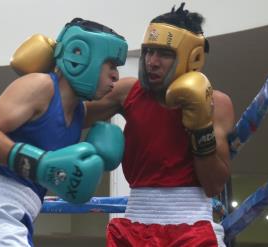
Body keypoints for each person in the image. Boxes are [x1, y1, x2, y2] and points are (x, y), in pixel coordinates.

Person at [0, 18, 128, 247]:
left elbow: (127, 91)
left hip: (13, 220)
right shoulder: (40, 86)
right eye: (111, 65)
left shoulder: (77, 113)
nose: (115, 75)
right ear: (81, 55)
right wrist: (40, 163)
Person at [85, 3, 235, 247]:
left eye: (164, 54)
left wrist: (199, 126)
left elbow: (214, 184)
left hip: (192, 225)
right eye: (148, 51)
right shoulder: (128, 92)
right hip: (134, 224)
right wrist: (65, 75)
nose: (151, 62)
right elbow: (69, 117)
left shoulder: (217, 103)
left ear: (192, 57)